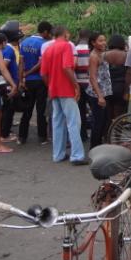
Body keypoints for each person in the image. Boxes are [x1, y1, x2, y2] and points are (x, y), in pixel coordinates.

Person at [41, 26, 88, 165]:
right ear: (65, 34)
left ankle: (58, 154)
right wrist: (75, 84)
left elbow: (43, 73)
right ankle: (77, 156)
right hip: (66, 90)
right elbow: (66, 67)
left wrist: (50, 85)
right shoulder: (66, 46)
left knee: (57, 123)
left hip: (54, 90)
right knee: (74, 122)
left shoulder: (48, 49)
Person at [18, 21, 52, 145]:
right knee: (41, 109)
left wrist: (22, 77)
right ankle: (42, 137)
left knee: (27, 109)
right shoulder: (44, 44)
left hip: (28, 82)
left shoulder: (24, 42)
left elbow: (21, 62)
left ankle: (22, 137)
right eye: (49, 33)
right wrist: (28, 73)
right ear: (45, 32)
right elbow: (41, 63)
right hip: (39, 80)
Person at [86, 32, 113, 149]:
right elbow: (92, 77)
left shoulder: (102, 53)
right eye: (100, 41)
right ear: (93, 43)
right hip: (97, 93)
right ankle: (94, 147)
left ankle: (99, 146)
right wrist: (100, 96)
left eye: (104, 40)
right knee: (98, 122)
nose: (103, 43)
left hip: (105, 91)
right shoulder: (93, 56)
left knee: (104, 120)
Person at [0, 23, 24, 143]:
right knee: (8, 110)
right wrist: (12, 84)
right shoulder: (9, 50)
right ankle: (4, 134)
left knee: (7, 109)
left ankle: (3, 131)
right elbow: (4, 67)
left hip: (9, 83)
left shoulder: (9, 48)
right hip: (9, 84)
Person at [106, 34, 128, 122]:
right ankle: (118, 134)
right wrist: (127, 91)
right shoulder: (126, 55)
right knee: (119, 114)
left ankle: (107, 133)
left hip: (107, 87)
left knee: (107, 113)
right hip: (121, 87)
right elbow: (129, 74)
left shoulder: (104, 55)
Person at [75, 29, 92, 142]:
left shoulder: (74, 49)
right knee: (94, 110)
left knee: (80, 111)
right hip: (90, 83)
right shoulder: (92, 50)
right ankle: (96, 134)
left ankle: (83, 135)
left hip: (77, 83)